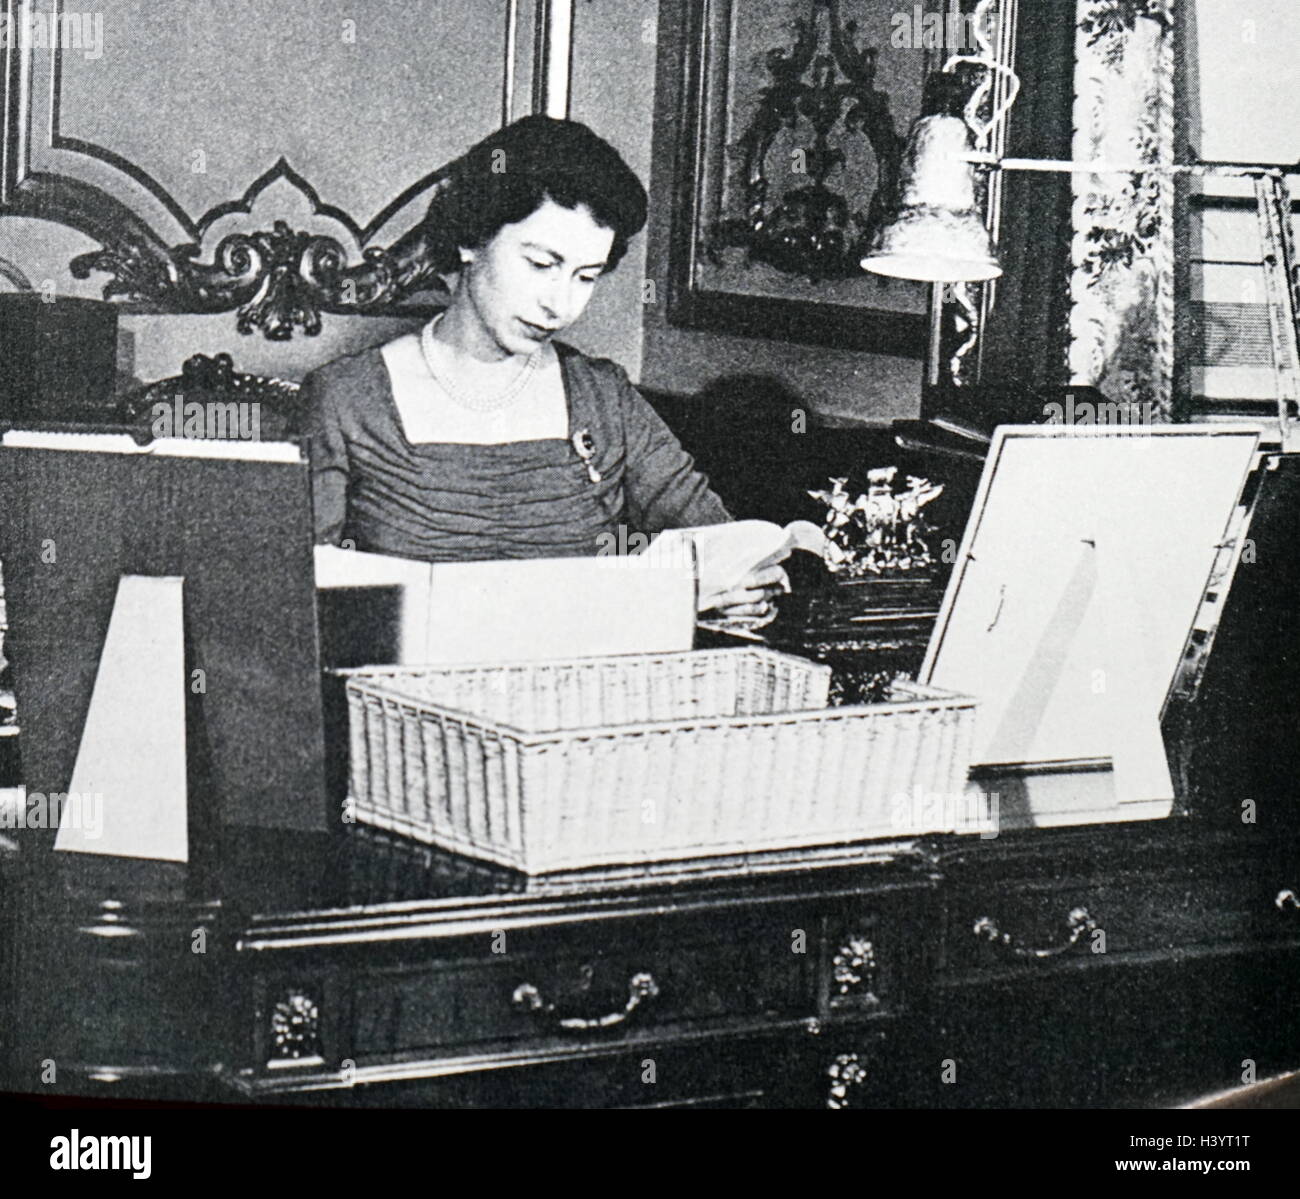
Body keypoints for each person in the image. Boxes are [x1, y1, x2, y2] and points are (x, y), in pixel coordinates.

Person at [297, 115, 786, 622]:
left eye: (586, 276)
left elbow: (721, 548)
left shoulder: (603, 399)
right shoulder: (347, 400)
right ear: (470, 239)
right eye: (541, 264)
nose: (561, 305)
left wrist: (736, 585)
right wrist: (651, 598)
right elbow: (300, 610)